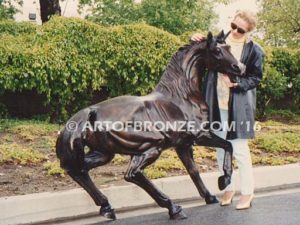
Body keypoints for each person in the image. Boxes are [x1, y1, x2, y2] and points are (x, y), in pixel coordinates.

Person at [191, 10, 264, 209]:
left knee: (239, 150)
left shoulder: (254, 50)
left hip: (238, 107)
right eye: (233, 25)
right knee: (221, 149)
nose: (235, 31)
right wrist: (195, 38)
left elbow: (256, 78)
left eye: (240, 30)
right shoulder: (218, 41)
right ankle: (229, 188)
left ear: (248, 31)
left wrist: (237, 84)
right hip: (215, 103)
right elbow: (199, 51)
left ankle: (247, 193)